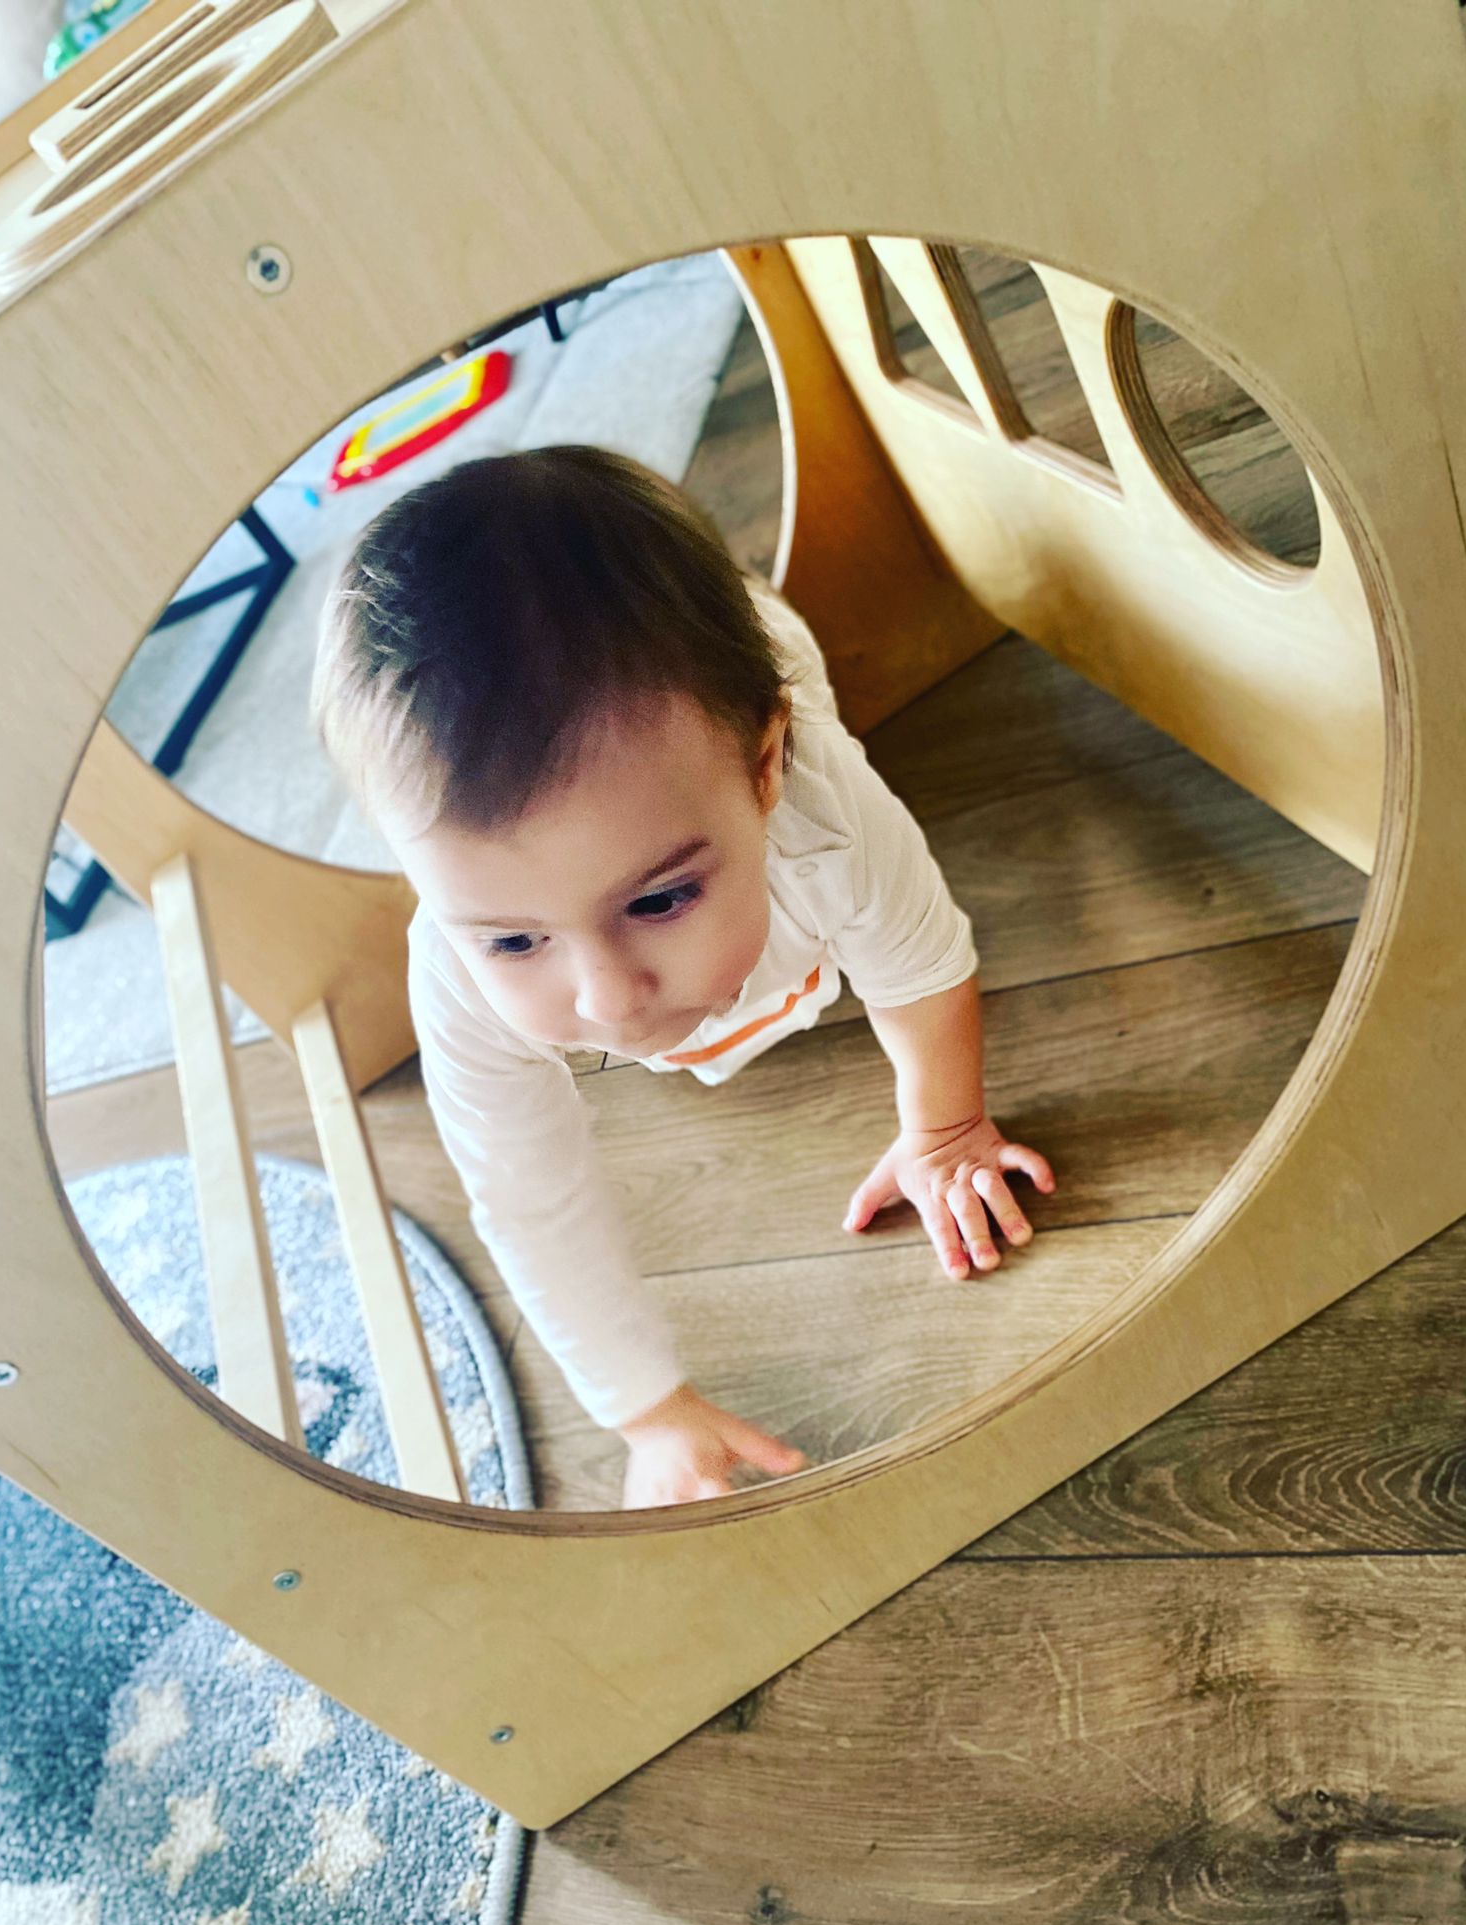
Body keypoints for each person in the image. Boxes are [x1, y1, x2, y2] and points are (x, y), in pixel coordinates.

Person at [312, 445, 1055, 1507]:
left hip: (767, 661)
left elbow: (918, 961)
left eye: (659, 900)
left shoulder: (824, 809)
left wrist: (944, 1131)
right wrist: (644, 1409)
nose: (609, 999)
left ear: (764, 770)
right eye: (515, 941)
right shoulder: (453, 967)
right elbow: (527, 1193)